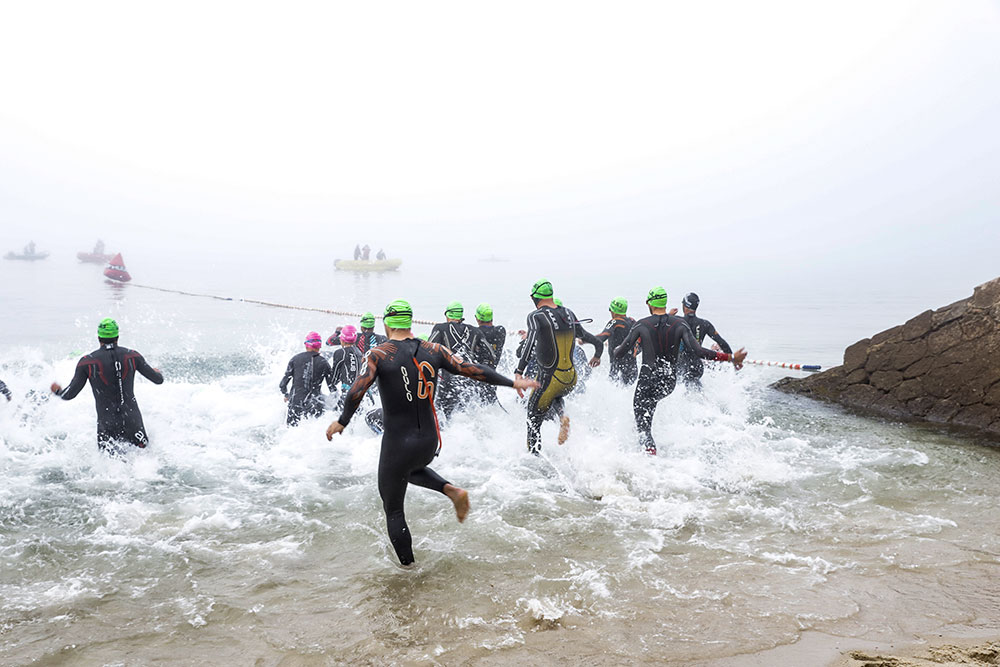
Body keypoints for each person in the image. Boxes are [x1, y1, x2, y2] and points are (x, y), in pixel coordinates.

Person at [325, 299, 538, 566]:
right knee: (410, 469)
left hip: (398, 442)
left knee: (393, 509)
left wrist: (342, 421)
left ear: (388, 323)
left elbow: (358, 388)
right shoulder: (434, 349)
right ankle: (451, 490)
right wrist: (511, 381)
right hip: (429, 441)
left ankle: (409, 571)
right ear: (410, 322)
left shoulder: (378, 354)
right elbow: (471, 369)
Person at [613, 287, 746, 455]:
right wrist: (730, 358)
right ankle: (648, 444)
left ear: (649, 303)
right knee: (650, 408)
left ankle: (648, 455)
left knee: (643, 426)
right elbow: (699, 351)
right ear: (664, 303)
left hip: (647, 380)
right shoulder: (680, 323)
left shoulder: (641, 324)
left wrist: (617, 345)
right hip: (669, 381)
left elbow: (619, 353)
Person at [514, 279, 603, 454]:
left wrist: (518, 372)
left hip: (549, 379)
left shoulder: (535, 316)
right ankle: (562, 416)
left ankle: (534, 461)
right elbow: (587, 337)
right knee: (555, 395)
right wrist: (598, 353)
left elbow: (530, 342)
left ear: (535, 297)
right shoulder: (568, 313)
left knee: (532, 422)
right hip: (570, 379)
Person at [49, 318, 164, 453]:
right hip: (132, 420)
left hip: (107, 424)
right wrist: (157, 372)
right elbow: (158, 380)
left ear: (99, 338)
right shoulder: (132, 356)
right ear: (117, 337)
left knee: (109, 469)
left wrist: (57, 391)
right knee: (144, 462)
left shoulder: (87, 362)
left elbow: (69, 395)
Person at [428, 302, 496, 417]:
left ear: (447, 315)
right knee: (468, 416)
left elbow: (428, 350)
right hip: (469, 380)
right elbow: (491, 355)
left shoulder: (440, 328)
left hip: (448, 380)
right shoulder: (475, 330)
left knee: (444, 416)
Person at [677, 292, 734, 387]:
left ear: (685, 306)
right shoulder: (705, 324)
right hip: (697, 367)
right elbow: (722, 343)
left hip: (681, 367)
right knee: (695, 389)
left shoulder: (676, 321)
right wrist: (732, 360)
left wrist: (668, 315)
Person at [279, 332, 334, 426]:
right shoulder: (323, 362)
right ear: (319, 346)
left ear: (306, 344)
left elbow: (283, 384)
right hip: (315, 403)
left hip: (295, 402)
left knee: (291, 431)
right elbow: (332, 387)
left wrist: (286, 394)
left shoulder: (295, 359)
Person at [596, 297, 638, 385]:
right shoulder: (633, 322)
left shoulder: (615, 322)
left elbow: (601, 337)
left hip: (617, 368)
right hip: (633, 368)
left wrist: (585, 339)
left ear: (614, 311)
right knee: (629, 392)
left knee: (614, 392)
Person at [474, 303, 506, 405]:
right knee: (491, 403)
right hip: (492, 374)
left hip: (478, 376)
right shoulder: (501, 331)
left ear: (477, 318)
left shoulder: (476, 333)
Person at [328, 325, 364, 408]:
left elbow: (334, 380)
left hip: (347, 397)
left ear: (342, 339)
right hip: (360, 397)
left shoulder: (341, 353)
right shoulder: (360, 353)